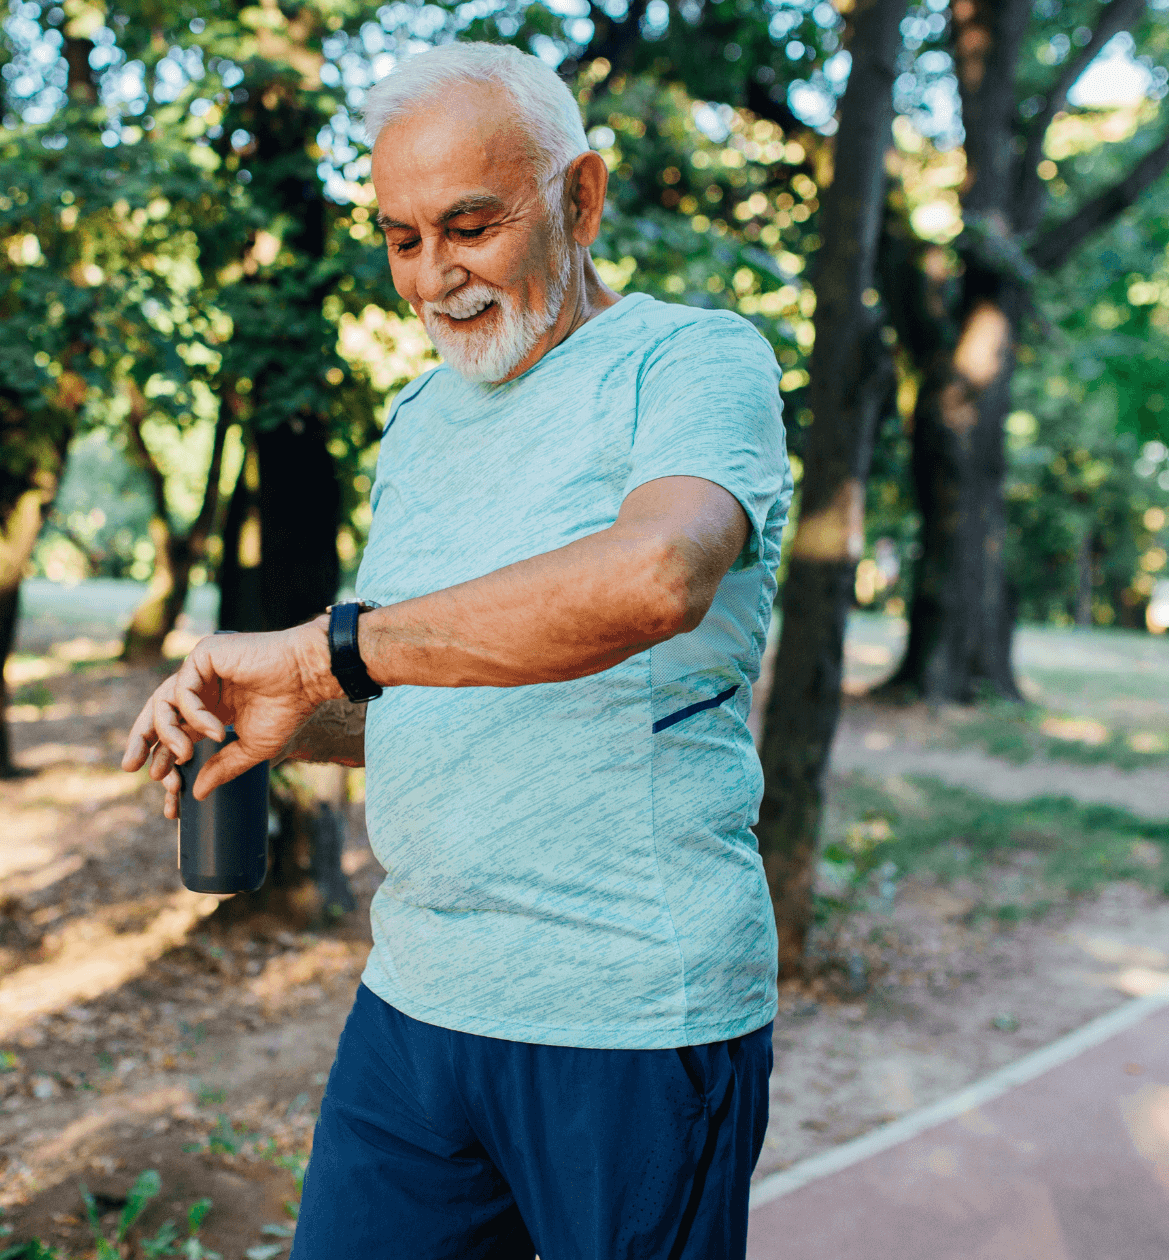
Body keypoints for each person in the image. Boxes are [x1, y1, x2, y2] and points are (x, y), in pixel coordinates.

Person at [119, 41, 790, 1260]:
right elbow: (422, 673)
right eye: (401, 238)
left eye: (471, 226)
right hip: (417, 997)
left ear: (580, 197)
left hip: (629, 1006)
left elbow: (658, 575)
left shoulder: (690, 359)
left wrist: (324, 656)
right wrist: (287, 713)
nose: (435, 278)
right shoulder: (418, 420)